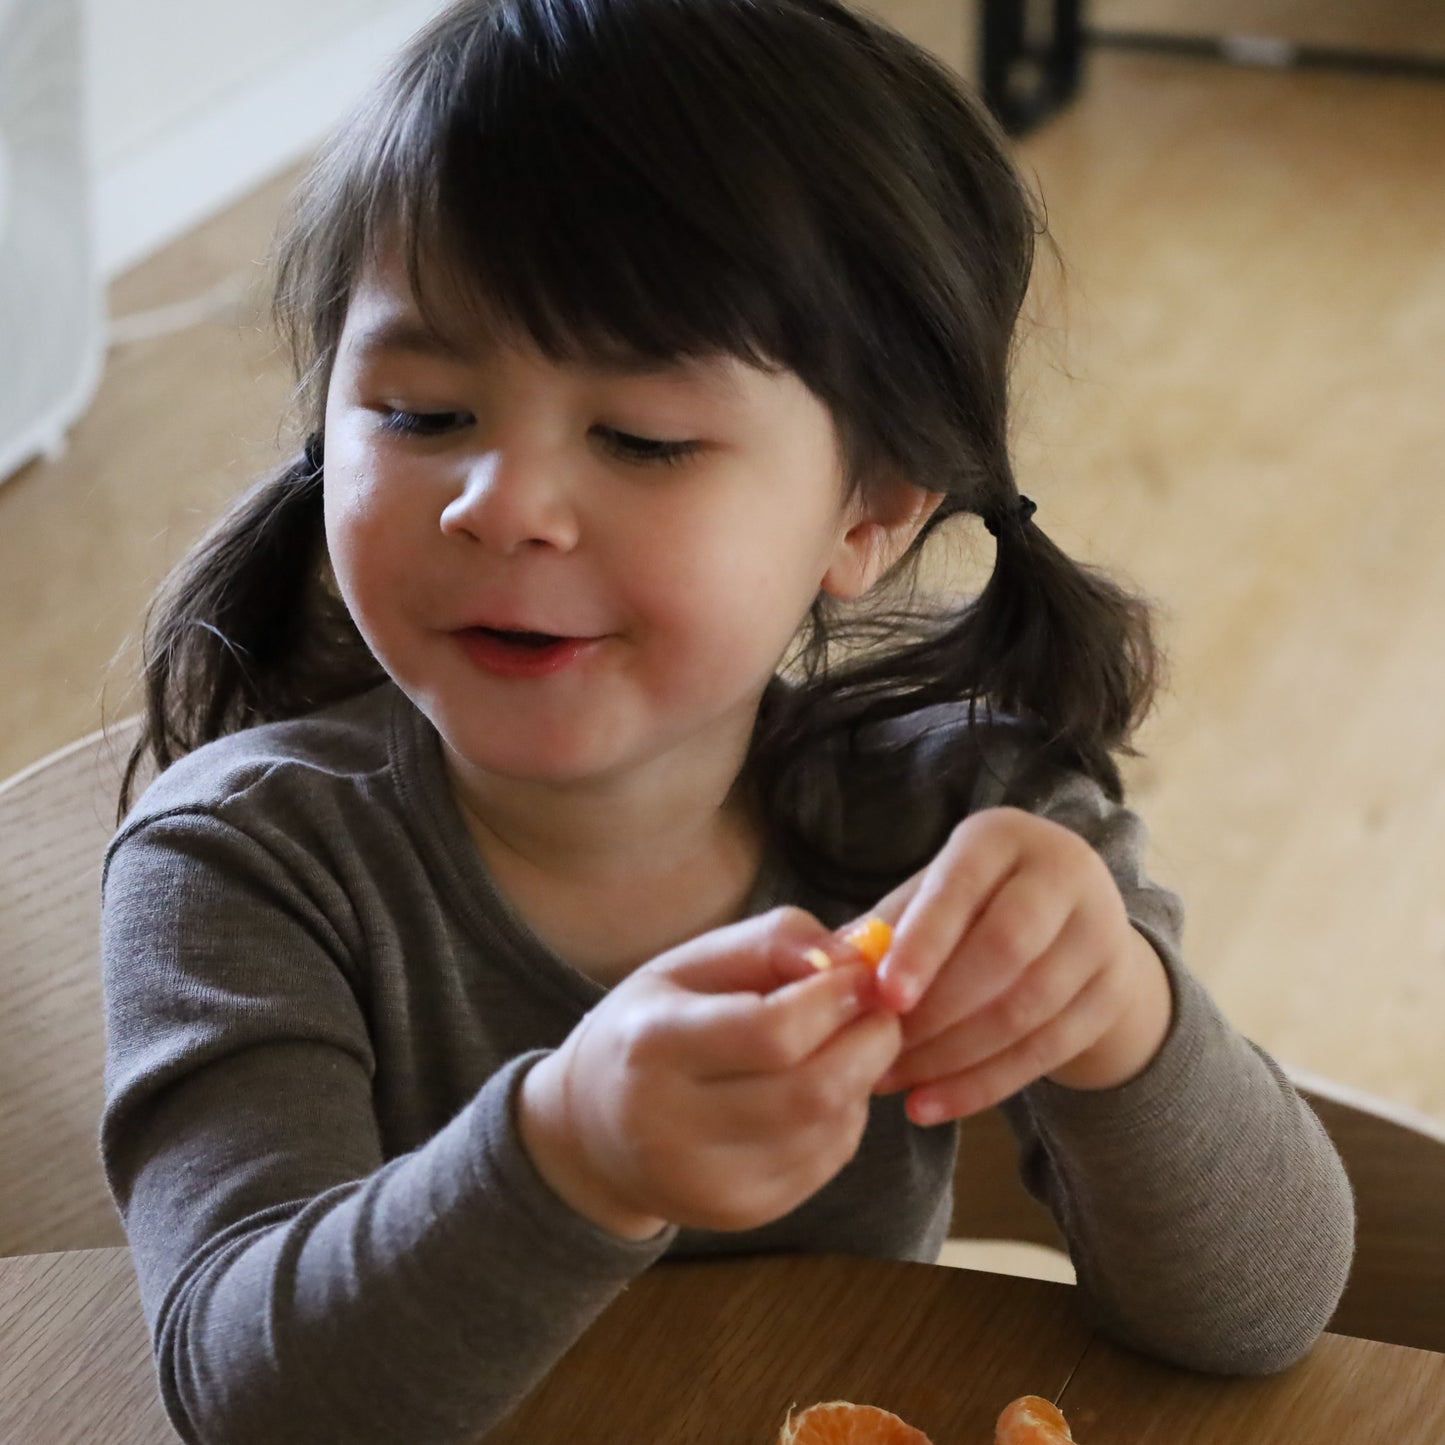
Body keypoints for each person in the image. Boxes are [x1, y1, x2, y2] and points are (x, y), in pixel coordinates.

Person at [99, 0, 1355, 1439]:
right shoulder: (245, 864)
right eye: (424, 410)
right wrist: (568, 1150)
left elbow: (1256, 1315)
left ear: (869, 512)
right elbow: (249, 1404)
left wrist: (1124, 1018)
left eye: (639, 436)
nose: (497, 501)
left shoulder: (954, 821)